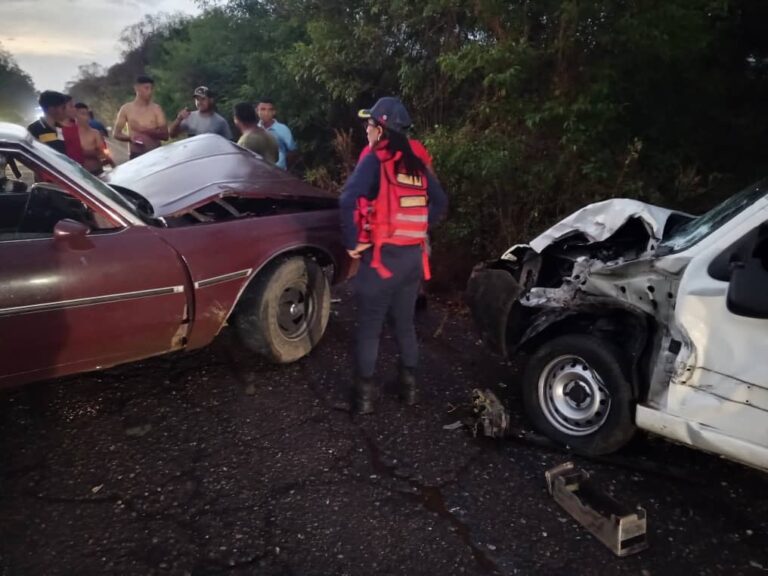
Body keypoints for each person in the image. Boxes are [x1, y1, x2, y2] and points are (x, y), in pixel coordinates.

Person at [339, 97, 448, 415]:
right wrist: (416, 228)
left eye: (370, 124)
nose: (367, 130)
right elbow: (440, 203)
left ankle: (363, 399)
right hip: (412, 260)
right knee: (405, 325)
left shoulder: (375, 159)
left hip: (381, 260)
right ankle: (409, 389)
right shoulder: (416, 161)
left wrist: (352, 243)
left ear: (381, 127)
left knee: (370, 327)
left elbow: (346, 200)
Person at [113, 75, 169, 159]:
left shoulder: (156, 109)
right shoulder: (126, 109)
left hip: (155, 153)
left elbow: (165, 135)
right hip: (136, 155)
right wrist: (130, 138)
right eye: (146, 88)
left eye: (151, 88)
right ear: (137, 88)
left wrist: (143, 130)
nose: (150, 92)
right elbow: (116, 134)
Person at [75, 103, 114, 175]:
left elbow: (102, 152)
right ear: (75, 115)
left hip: (97, 170)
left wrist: (112, 165)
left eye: (87, 114)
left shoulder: (95, 133)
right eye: (83, 114)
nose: (86, 117)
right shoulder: (71, 134)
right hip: (81, 174)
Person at [256, 98, 296, 170]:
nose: (266, 113)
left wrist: (284, 169)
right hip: (260, 172)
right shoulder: (255, 129)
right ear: (257, 111)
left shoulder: (283, 129)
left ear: (274, 112)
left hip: (279, 172)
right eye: (263, 109)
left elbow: (292, 151)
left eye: (270, 110)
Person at [60, 95, 85, 165]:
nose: (74, 109)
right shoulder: (56, 130)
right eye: (71, 106)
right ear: (62, 109)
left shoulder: (79, 126)